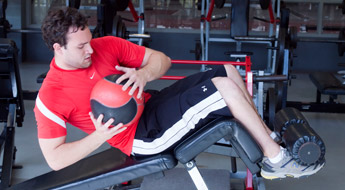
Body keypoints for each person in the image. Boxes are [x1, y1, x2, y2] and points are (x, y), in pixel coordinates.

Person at [35, 7, 323, 179]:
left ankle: (268, 144)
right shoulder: (50, 94)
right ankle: (276, 160)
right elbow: (55, 160)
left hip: (153, 104)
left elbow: (162, 60)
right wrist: (99, 136)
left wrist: (144, 73)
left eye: (89, 40)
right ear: (57, 48)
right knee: (222, 89)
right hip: (140, 138)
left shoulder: (105, 45)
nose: (90, 49)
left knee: (227, 71)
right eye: (81, 46)